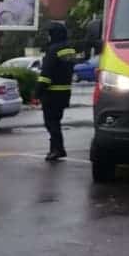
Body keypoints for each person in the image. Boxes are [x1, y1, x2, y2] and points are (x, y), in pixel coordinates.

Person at [35, 21, 77, 162]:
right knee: (56, 122)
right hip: (64, 93)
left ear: (54, 35)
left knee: (51, 123)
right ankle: (57, 149)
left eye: (49, 34)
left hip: (52, 94)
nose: (48, 36)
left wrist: (37, 92)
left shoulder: (53, 50)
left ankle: (57, 149)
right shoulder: (69, 49)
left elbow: (46, 76)